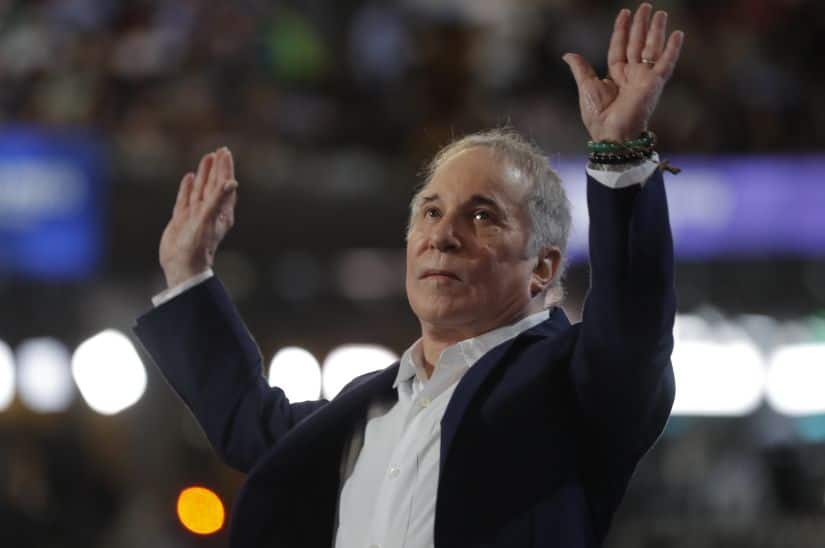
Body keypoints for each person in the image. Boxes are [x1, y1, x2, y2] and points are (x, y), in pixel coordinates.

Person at [134, 4, 684, 547]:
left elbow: (631, 327)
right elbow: (249, 425)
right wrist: (187, 273)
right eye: (431, 211)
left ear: (542, 266)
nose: (443, 235)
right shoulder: (367, 405)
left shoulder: (573, 383)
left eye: (481, 215)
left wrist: (620, 154)